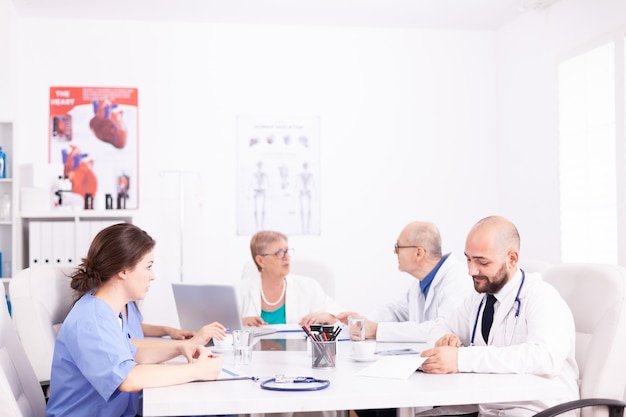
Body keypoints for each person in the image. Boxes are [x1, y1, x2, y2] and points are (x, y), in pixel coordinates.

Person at [47, 223, 224, 417]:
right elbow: (128, 378)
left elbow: (132, 353)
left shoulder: (109, 312)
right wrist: (197, 371)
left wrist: (180, 348)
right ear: (123, 270)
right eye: (148, 267)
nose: (153, 276)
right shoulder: (92, 320)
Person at [420, 216, 579, 417]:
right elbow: (440, 326)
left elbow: (545, 357)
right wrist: (444, 339)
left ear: (512, 259)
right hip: (489, 407)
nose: (471, 270)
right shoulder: (479, 299)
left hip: (536, 410)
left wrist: (461, 358)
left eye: (482, 262)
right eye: (468, 259)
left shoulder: (542, 297)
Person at [337, 221, 473, 342]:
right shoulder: (422, 281)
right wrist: (362, 322)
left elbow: (442, 329)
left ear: (418, 253)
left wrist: (377, 330)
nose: (394, 252)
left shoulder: (457, 280)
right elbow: (397, 311)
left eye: (398, 246)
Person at [240, 230, 342, 327]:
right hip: (255, 346)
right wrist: (241, 323)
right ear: (261, 260)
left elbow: (340, 317)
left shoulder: (309, 287)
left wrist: (325, 316)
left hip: (298, 345)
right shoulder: (242, 290)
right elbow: (227, 327)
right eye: (279, 253)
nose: (287, 257)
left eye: (287, 251)